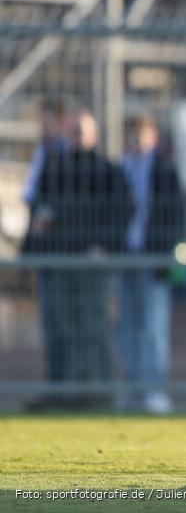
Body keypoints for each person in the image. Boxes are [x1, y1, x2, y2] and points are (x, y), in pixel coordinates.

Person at [22, 109, 132, 410]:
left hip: (91, 264)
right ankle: (64, 393)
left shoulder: (108, 171)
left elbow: (123, 213)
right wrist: (32, 251)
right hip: (58, 263)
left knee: (94, 325)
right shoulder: (55, 170)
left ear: (95, 134)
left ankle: (100, 391)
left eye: (82, 131)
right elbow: (40, 215)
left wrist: (104, 246)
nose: (77, 137)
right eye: (72, 131)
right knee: (61, 328)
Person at [118, 115, 184, 414]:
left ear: (153, 137)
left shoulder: (164, 169)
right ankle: (133, 387)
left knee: (153, 325)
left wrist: (165, 251)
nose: (136, 139)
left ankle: (155, 388)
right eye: (132, 133)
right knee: (128, 324)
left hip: (152, 255)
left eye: (141, 133)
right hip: (126, 255)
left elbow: (176, 214)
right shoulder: (120, 169)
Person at [22, 98, 69, 407]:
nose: (43, 127)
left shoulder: (62, 155)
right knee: (50, 323)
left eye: (48, 120)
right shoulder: (42, 152)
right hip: (42, 249)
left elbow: (58, 203)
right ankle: (54, 386)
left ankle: (64, 388)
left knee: (63, 322)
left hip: (59, 250)